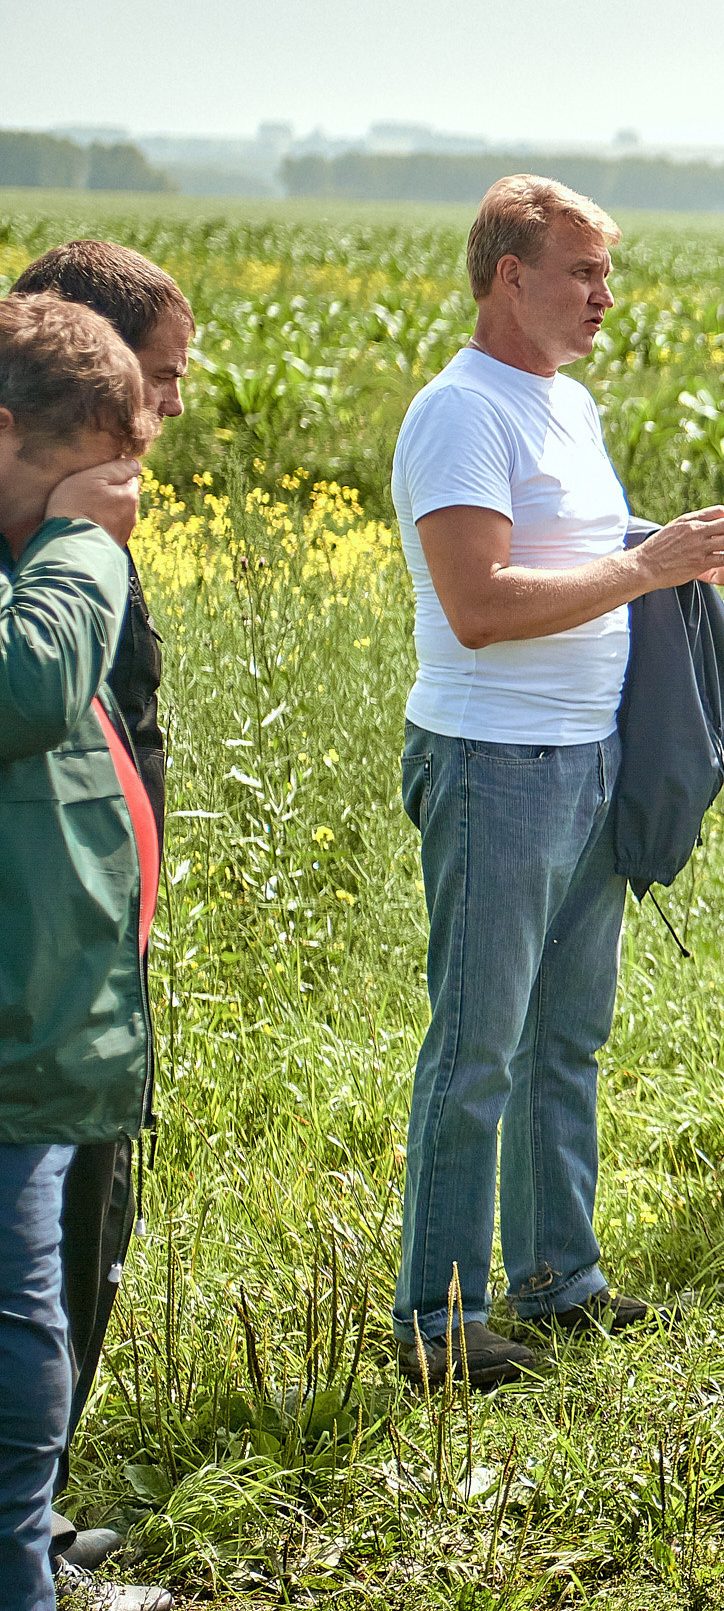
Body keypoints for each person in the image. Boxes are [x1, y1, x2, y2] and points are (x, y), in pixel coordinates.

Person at [390, 176, 724, 1390]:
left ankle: (560, 1277)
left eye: (609, 273)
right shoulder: (460, 413)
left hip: (589, 759)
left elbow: (589, 553)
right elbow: (481, 603)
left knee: (566, 1040)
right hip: (497, 764)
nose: (606, 295)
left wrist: (680, 548)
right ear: (510, 275)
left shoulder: (567, 403)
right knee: (480, 1046)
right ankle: (438, 1321)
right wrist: (646, 565)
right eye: (583, 272)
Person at [5, 240, 192, 1584]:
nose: (161, 426)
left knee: (64, 1277)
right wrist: (79, 540)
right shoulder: (61, 555)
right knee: (28, 1312)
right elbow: (37, 689)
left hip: (74, 980)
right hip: (31, 1001)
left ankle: (37, 1517)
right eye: (152, 387)